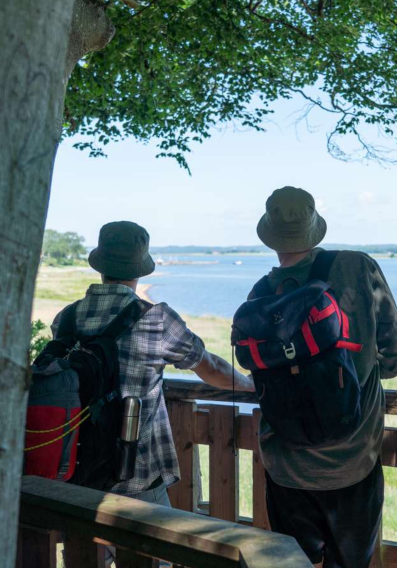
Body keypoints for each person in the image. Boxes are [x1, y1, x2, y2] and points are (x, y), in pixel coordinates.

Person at [53, 221, 254, 566]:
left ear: (100, 266)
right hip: (136, 472)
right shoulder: (155, 318)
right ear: (139, 270)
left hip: (76, 469)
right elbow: (210, 367)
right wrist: (250, 384)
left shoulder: (67, 318)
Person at [249, 187, 397, 568]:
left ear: (271, 236)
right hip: (352, 459)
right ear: (313, 226)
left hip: (284, 463)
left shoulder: (261, 294)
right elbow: (395, 355)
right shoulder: (357, 266)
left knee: (293, 564)